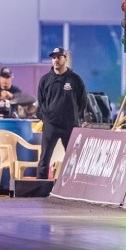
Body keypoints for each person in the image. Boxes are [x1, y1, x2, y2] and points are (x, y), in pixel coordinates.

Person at [36, 47, 87, 179]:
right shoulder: (45, 79)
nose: (56, 60)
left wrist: (75, 117)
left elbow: (83, 101)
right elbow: (41, 101)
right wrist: (46, 117)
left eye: (59, 57)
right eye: (53, 58)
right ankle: (40, 186)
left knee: (73, 157)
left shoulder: (75, 79)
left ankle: (74, 184)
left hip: (70, 125)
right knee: (44, 158)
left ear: (65, 58)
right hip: (51, 125)